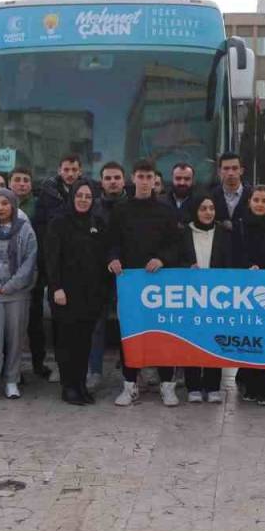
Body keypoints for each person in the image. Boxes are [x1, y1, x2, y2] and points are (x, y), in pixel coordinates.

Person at [107, 160, 185, 407]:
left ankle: (167, 385)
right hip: (129, 285)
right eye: (140, 176)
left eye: (148, 176)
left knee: (163, 334)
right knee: (130, 335)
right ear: (133, 178)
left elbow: (177, 245)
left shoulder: (166, 210)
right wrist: (113, 259)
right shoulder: (121, 210)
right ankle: (130, 385)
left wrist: (162, 259)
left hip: (159, 284)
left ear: (155, 180)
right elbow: (111, 242)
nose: (144, 181)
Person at [46, 181, 109, 406]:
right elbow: (51, 258)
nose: (83, 199)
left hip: (90, 295)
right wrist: (56, 288)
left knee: (84, 343)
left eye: (88, 196)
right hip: (65, 294)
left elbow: (103, 257)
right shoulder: (59, 223)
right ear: (72, 197)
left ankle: (81, 385)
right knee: (67, 343)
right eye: (79, 195)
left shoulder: (98, 223)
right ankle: (69, 387)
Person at [0, 189, 38, 403]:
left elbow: (30, 262)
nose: (1, 208)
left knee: (15, 338)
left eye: (5, 203)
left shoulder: (26, 230)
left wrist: (12, 284)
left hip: (18, 293)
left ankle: (12, 379)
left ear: (13, 206)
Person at [181, 197, 233, 404]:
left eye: (212, 208)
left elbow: (229, 262)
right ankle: (193, 385)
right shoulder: (184, 233)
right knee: (191, 340)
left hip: (216, 298)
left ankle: (212, 386)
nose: (208, 212)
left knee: (214, 340)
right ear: (195, 210)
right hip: (191, 297)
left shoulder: (224, 234)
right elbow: (177, 258)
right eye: (203, 208)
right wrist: (187, 267)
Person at [234, 185, 265, 405]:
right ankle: (249, 385)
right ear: (249, 201)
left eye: (264, 201)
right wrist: (246, 267)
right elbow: (234, 253)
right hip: (245, 290)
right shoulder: (239, 225)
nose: (260, 204)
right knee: (248, 338)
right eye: (256, 200)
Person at [9, 166, 55, 383]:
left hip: (33, 270)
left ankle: (38, 363)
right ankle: (11, 368)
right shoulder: (2, 204)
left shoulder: (38, 207)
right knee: (10, 324)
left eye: (26, 180)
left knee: (34, 323)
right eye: (17, 180)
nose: (22, 184)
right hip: (6, 273)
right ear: (10, 183)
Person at [211, 152, 251, 231]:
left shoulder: (253, 196)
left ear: (241, 171)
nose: (230, 173)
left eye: (235, 168)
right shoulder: (210, 196)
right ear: (219, 172)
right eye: (226, 168)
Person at [161, 162, 201, 227]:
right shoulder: (161, 202)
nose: (182, 183)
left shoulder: (200, 203)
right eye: (178, 178)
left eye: (187, 179)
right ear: (172, 179)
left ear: (193, 180)